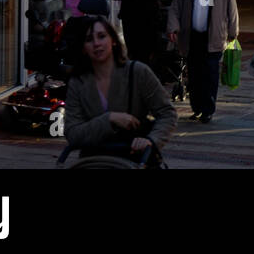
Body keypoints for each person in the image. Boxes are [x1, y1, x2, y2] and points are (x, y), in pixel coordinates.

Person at [64, 11, 177, 162]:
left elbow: (167, 113)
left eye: (102, 36)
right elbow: (73, 134)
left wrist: (151, 140)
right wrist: (109, 119)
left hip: (132, 157)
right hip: (94, 161)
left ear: (113, 40)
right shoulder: (78, 83)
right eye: (89, 39)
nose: (96, 43)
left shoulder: (137, 72)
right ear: (83, 48)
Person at [167, 0, 239, 124]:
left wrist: (233, 31)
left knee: (210, 74)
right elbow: (175, 9)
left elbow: (232, 8)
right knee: (194, 75)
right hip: (191, 37)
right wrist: (173, 27)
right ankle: (197, 107)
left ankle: (207, 109)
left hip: (213, 36)